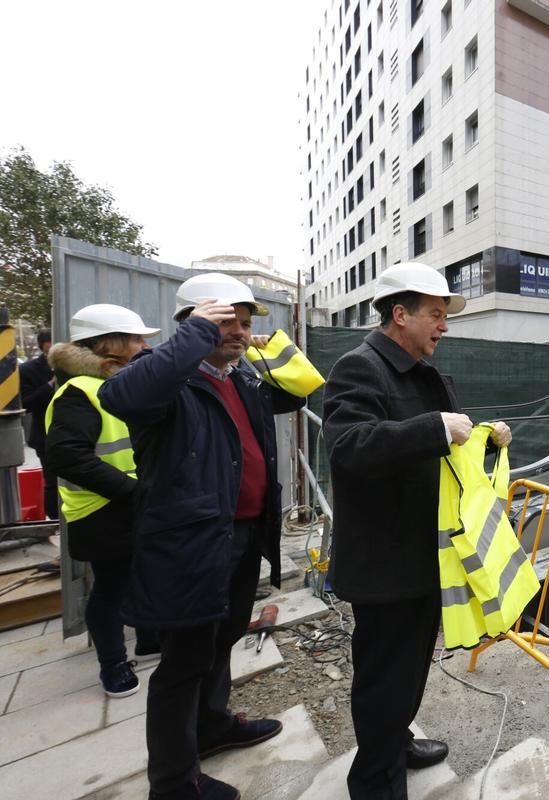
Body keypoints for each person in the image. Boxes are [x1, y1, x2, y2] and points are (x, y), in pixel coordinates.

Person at [99, 273, 308, 800]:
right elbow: (120, 396)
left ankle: (212, 725)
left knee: (224, 640)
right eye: (228, 322)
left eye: (245, 322)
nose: (240, 331)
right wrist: (193, 336)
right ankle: (172, 783)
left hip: (242, 536)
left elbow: (303, 388)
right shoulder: (163, 378)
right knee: (184, 662)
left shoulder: (238, 379)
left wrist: (266, 344)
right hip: (193, 543)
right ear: (193, 322)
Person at [322, 261, 512, 800]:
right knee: (384, 679)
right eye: (436, 313)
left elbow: (447, 448)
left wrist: (485, 439)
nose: (444, 325)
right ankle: (375, 782)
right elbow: (348, 446)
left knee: (407, 673)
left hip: (426, 555)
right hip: (385, 563)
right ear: (399, 314)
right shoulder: (359, 368)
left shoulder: (423, 372)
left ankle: (397, 743)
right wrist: (433, 428)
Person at [44, 305, 161, 698]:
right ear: (110, 345)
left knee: (142, 576)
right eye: (137, 339)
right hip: (100, 511)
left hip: (132, 504)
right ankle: (112, 665)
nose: (145, 345)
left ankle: (149, 641)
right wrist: (132, 491)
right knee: (110, 589)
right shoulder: (78, 392)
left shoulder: (117, 384)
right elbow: (68, 456)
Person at [19, 329, 58, 518]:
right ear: (43, 345)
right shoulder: (29, 370)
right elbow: (25, 403)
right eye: (51, 341)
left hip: (76, 431)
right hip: (45, 435)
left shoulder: (74, 365)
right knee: (52, 480)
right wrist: (49, 386)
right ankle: (55, 520)